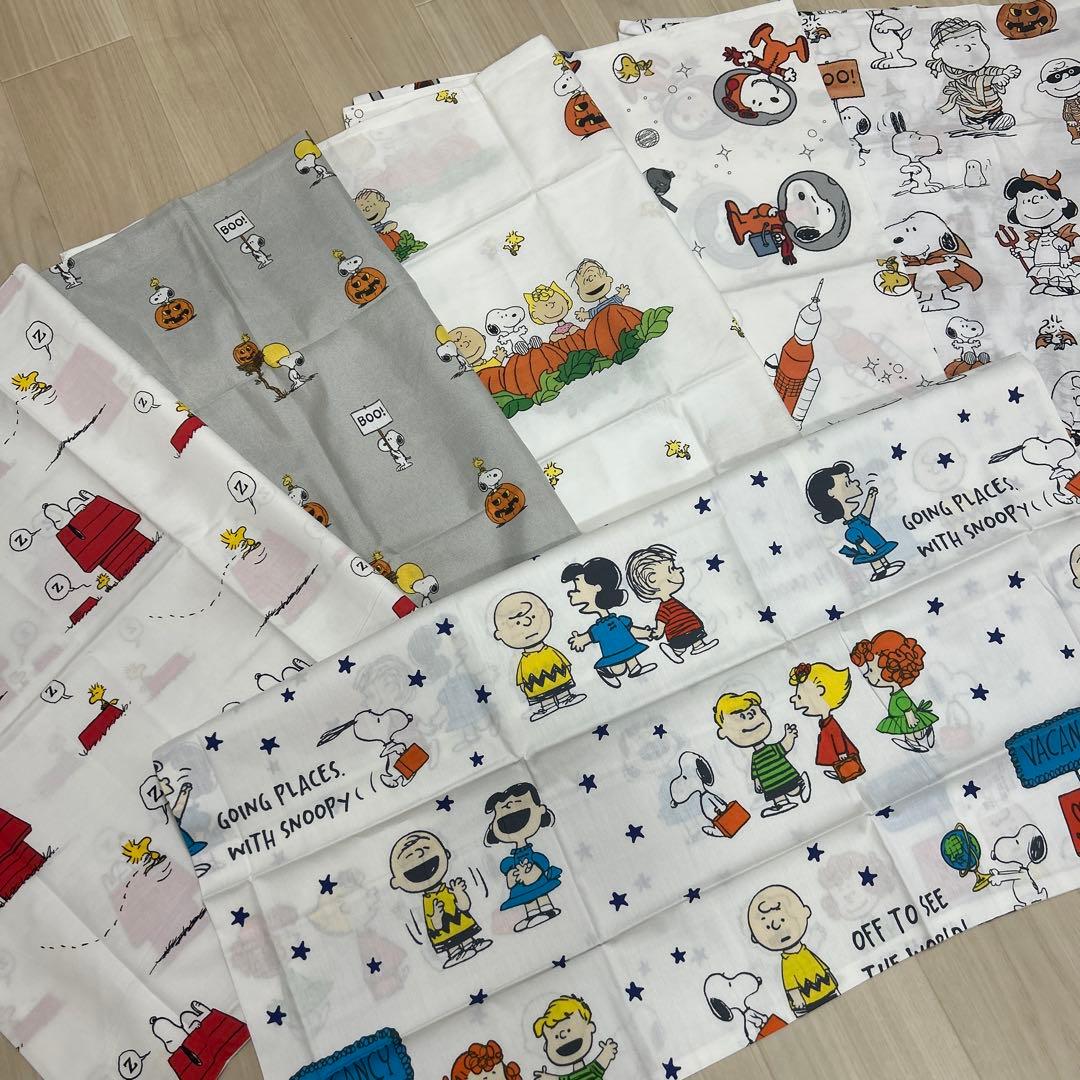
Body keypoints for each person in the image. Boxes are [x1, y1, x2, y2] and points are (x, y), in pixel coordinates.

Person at [388, 830, 491, 967]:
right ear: (397, 882)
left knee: (466, 936)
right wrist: (436, 916)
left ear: (446, 854)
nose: (418, 856)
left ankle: (470, 944)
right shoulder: (428, 901)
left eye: (426, 851)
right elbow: (435, 926)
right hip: (445, 934)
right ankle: (454, 953)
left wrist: (459, 893)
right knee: (451, 942)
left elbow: (464, 907)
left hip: (463, 925)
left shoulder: (447, 890)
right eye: (410, 861)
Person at [562, 558, 657, 688]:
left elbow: (631, 630)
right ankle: (606, 671)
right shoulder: (599, 628)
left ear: (597, 588)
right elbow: (590, 636)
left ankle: (635, 668)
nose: (571, 593)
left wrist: (647, 633)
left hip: (627, 647)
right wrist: (581, 640)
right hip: (612, 654)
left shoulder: (617, 621)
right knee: (619, 670)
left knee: (629, 656)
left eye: (577, 589)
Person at [747, 884, 839, 1015]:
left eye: (783, 919)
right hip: (808, 1003)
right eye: (768, 927)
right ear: (755, 938)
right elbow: (790, 984)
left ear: (805, 912)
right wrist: (796, 998)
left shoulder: (805, 952)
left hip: (829, 990)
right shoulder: (787, 962)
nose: (779, 929)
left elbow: (821, 967)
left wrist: (831, 978)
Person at [493, 591, 586, 720]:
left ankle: (565, 698)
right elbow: (521, 675)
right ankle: (548, 706)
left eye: (533, 617)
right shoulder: (525, 660)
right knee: (543, 696)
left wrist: (567, 667)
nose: (527, 623)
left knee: (562, 690)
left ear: (549, 613)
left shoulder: (549, 651)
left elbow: (563, 661)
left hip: (558, 677)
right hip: (537, 684)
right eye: (517, 623)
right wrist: (522, 684)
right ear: (499, 635)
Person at [714, 691, 810, 816]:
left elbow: (784, 746)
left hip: (784, 774)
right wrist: (757, 782)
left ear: (763, 713)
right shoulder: (755, 757)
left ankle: (802, 786)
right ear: (723, 732)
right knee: (777, 793)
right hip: (770, 782)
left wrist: (789, 736)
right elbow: (756, 771)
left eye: (752, 714)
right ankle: (782, 804)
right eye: (741, 717)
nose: (749, 721)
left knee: (793, 789)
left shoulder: (771, 748)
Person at [805, 460, 905, 581]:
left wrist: (871, 497)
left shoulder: (858, 520)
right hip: (870, 547)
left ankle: (886, 566)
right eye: (847, 483)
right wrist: (867, 547)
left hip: (875, 543)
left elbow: (866, 513)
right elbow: (853, 536)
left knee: (879, 554)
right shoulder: (852, 527)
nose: (856, 482)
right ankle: (880, 571)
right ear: (831, 493)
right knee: (875, 557)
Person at [483, 782, 562, 931]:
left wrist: (534, 871)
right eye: (503, 821)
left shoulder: (534, 856)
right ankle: (532, 915)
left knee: (540, 894)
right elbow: (508, 873)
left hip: (537, 880)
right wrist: (513, 875)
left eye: (521, 814)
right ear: (493, 827)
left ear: (540, 810)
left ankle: (547, 910)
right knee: (528, 899)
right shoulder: (509, 862)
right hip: (521, 884)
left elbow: (542, 862)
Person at [625, 544, 718, 664]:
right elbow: (661, 622)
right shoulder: (664, 608)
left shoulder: (672, 601)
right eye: (671, 569)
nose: (679, 570)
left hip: (690, 629)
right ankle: (675, 650)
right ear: (652, 580)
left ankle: (694, 647)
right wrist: (658, 632)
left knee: (691, 639)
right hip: (679, 633)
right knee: (683, 643)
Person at [926, 17, 1021, 132]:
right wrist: (994, 79)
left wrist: (1003, 71)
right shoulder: (960, 75)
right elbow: (974, 80)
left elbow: (988, 70)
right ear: (939, 54)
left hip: (992, 105)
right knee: (976, 116)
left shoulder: (978, 69)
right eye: (957, 46)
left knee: (995, 112)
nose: (968, 48)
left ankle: (997, 119)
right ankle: (971, 121)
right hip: (974, 109)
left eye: (974, 43)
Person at [850, 630, 938, 753]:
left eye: (871, 670)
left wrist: (909, 714)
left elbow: (904, 703)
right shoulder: (897, 693)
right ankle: (923, 732)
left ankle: (914, 740)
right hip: (902, 716)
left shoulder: (899, 695)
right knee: (915, 731)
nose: (866, 674)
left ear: (890, 669)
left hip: (905, 717)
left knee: (911, 731)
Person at [788, 662, 861, 782]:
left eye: (799, 696)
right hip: (833, 745)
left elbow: (837, 737)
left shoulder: (831, 723)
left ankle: (847, 772)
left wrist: (842, 752)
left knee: (844, 760)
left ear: (820, 691)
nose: (793, 699)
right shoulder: (826, 722)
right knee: (834, 758)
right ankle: (841, 771)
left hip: (840, 749)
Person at [532, 995, 618, 1079]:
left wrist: (607, 1053)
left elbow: (599, 1065)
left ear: (590, 1027)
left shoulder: (591, 1070)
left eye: (569, 1030)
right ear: (546, 1047)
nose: (563, 1035)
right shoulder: (589, 1071)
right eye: (556, 1036)